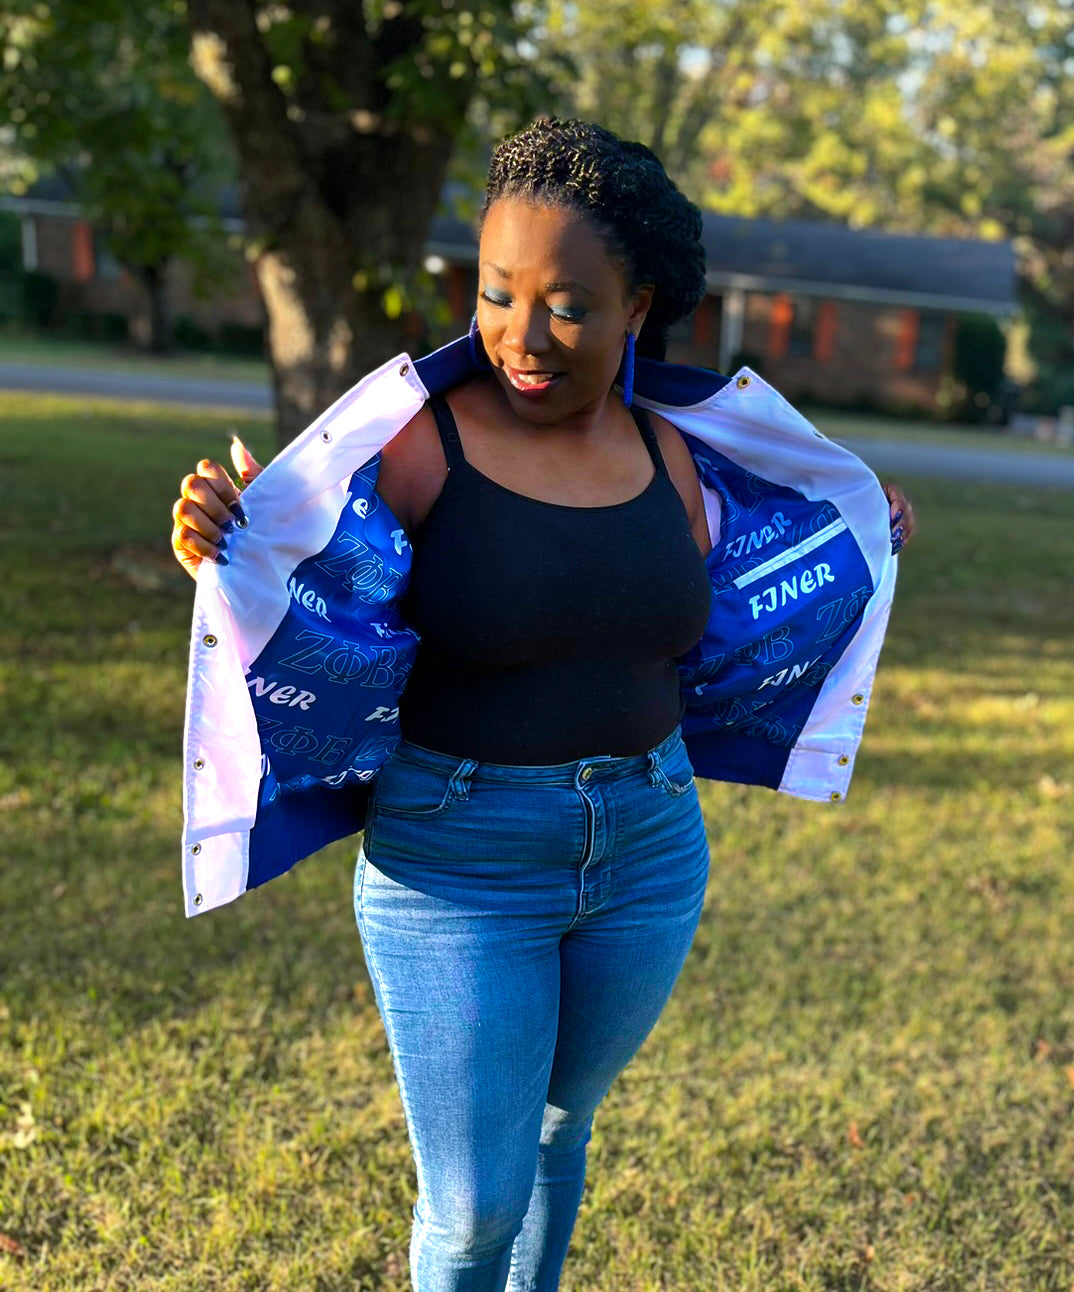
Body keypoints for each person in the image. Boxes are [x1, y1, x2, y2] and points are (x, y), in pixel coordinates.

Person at [170, 118, 914, 1291]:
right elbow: (307, 560)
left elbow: (767, 578)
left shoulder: (678, 447)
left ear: (637, 304)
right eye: (496, 291)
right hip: (457, 862)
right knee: (471, 1207)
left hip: (649, 847)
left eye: (567, 304)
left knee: (564, 1127)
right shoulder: (423, 440)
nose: (521, 334)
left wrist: (864, 536)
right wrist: (226, 531)